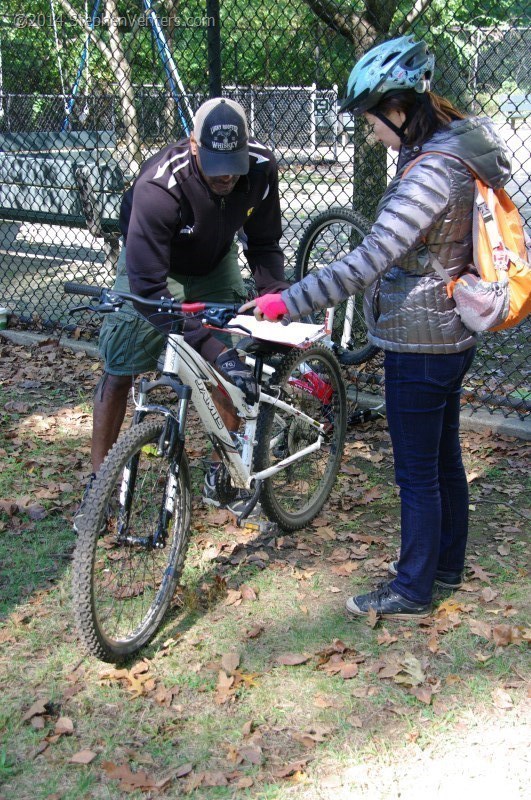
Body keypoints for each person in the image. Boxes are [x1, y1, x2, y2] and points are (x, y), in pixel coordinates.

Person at [241, 36, 512, 618]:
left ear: (397, 109)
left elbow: (365, 261)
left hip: (423, 339)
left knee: (417, 472)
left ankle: (412, 589)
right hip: (448, 332)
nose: (369, 133)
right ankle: (444, 566)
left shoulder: (429, 174)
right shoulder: (452, 151)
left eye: (370, 120)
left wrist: (284, 302)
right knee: (442, 459)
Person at [79, 97, 288, 522]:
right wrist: (213, 348)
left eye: (234, 161)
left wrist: (274, 297)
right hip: (156, 268)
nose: (227, 173)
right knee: (120, 366)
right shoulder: (159, 187)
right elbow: (149, 288)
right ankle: (98, 488)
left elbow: (264, 242)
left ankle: (224, 469)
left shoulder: (262, 169)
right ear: (194, 147)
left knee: (229, 371)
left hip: (215, 263)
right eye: (215, 162)